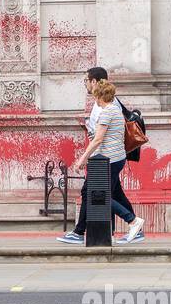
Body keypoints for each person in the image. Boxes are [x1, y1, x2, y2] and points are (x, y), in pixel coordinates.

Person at [60, 78, 146, 244]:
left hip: (109, 160)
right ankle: (85, 232)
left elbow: (98, 139)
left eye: (95, 97)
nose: (95, 100)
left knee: (97, 195)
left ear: (99, 97)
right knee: (113, 194)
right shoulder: (116, 110)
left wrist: (82, 159)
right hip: (116, 158)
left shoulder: (106, 112)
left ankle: (133, 221)